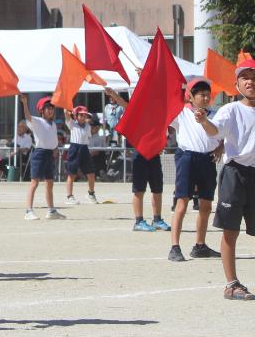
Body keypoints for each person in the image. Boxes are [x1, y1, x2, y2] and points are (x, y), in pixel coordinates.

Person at [196, 59, 255, 300]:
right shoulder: (230, 110)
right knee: (230, 230)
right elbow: (215, 131)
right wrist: (204, 121)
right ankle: (232, 284)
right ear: (237, 83)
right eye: (245, 78)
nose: (251, 82)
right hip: (234, 173)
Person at [167, 79, 221, 262]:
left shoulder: (216, 114)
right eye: (201, 95)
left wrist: (220, 147)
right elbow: (163, 102)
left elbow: (222, 134)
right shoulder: (182, 113)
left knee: (206, 204)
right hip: (188, 158)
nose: (206, 98)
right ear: (191, 97)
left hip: (208, 159)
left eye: (208, 95)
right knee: (182, 202)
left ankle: (200, 245)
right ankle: (175, 246)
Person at [103, 87, 170, 233]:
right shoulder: (137, 112)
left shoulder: (157, 115)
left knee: (157, 189)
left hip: (154, 155)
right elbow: (125, 104)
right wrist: (113, 94)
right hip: (140, 155)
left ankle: (157, 219)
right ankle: (139, 221)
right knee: (139, 190)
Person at [19, 95, 66, 221]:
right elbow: (27, 117)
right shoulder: (37, 121)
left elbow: (53, 139)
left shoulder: (54, 124)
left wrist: (55, 148)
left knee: (50, 182)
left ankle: (51, 210)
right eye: (47, 108)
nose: (50, 110)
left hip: (50, 154)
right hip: (39, 154)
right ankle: (28, 210)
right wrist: (24, 103)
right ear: (41, 110)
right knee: (34, 182)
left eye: (52, 108)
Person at [65, 107, 98, 205]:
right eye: (81, 115)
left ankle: (91, 194)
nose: (84, 117)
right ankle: (69, 196)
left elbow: (87, 137)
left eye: (85, 115)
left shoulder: (88, 126)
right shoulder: (72, 124)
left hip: (84, 149)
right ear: (76, 116)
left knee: (91, 173)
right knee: (72, 174)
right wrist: (66, 107)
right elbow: (66, 114)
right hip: (74, 148)